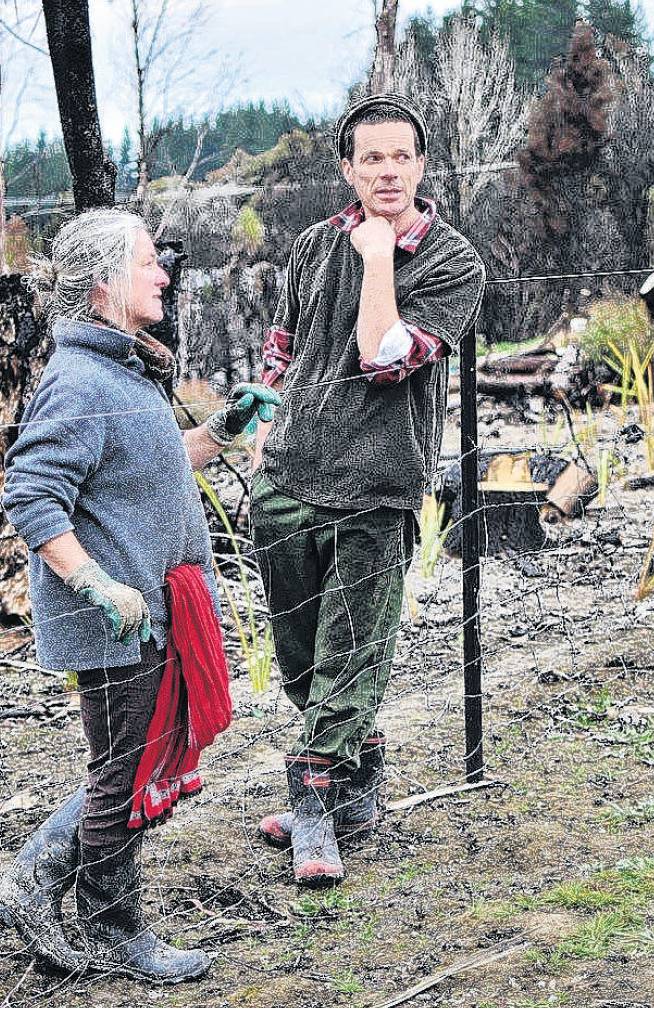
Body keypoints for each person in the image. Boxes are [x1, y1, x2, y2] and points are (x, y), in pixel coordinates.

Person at [0, 208, 280, 982]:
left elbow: (144, 467)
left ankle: (31, 879)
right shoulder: (80, 380)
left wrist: (219, 431)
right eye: (150, 262)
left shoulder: (121, 369)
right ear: (103, 285)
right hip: (116, 621)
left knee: (129, 760)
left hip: (154, 612)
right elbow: (29, 492)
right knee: (122, 771)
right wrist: (92, 582)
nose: (164, 274)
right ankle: (111, 925)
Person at [250, 93, 485, 886]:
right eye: (371, 158)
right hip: (287, 481)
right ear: (347, 168)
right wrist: (263, 435)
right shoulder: (314, 245)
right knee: (298, 660)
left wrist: (379, 257)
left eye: (402, 156)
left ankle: (315, 804)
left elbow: (383, 356)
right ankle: (355, 786)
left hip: (376, 490)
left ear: (422, 164)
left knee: (349, 657)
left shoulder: (452, 261)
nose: (388, 171)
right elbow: (282, 345)